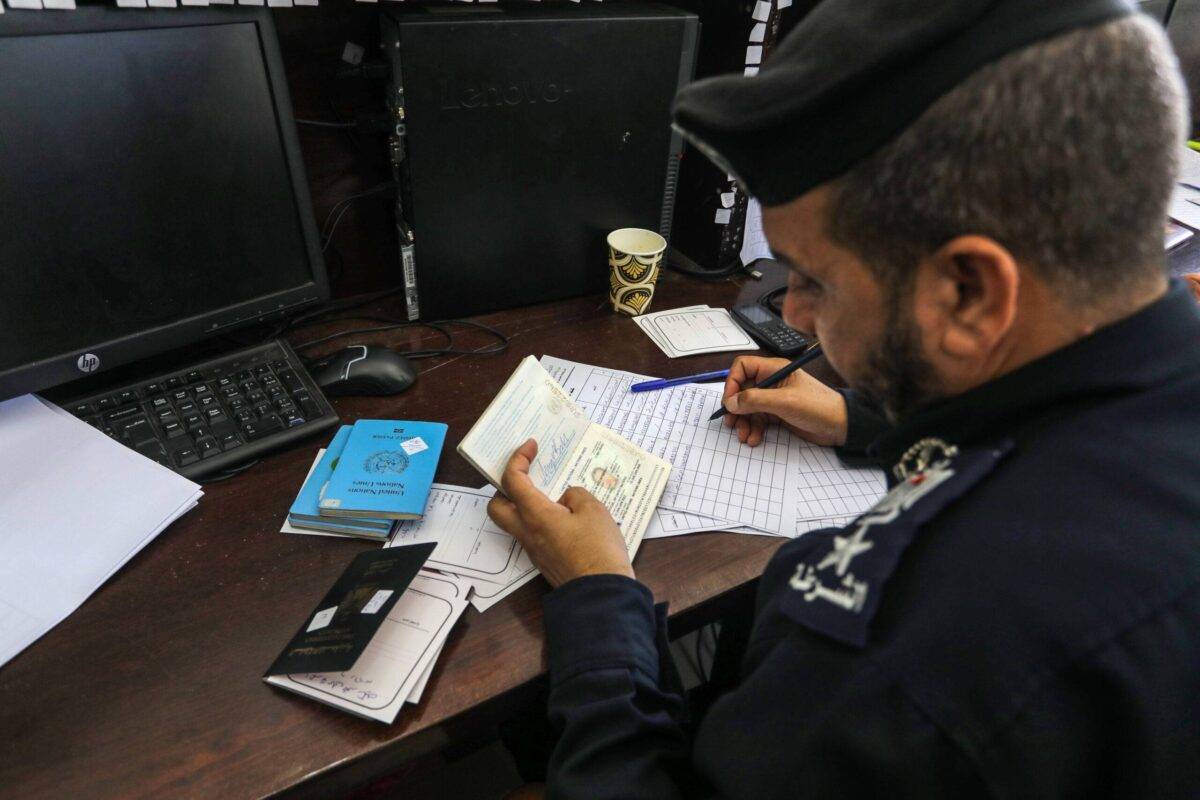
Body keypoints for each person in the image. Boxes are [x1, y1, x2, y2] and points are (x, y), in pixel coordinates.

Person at [487, 1, 1200, 796]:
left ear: (968, 293)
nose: (791, 316)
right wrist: (860, 421)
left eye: (815, 279)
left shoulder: (916, 657)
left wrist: (597, 599)